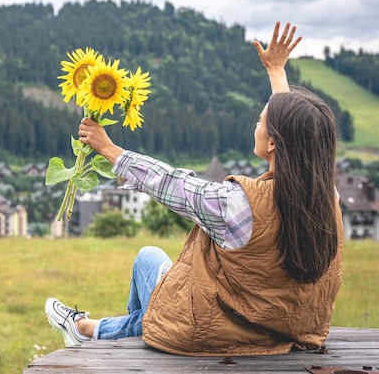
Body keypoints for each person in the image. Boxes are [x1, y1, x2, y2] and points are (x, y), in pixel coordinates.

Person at [44, 21, 344, 356]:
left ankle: (95, 331)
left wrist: (110, 150)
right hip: (287, 331)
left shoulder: (238, 206)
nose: (255, 125)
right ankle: (90, 328)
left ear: (272, 143)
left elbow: (172, 184)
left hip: (214, 334)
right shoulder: (326, 199)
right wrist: (276, 72)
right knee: (161, 296)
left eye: (260, 122)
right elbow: (300, 136)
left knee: (148, 258)